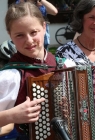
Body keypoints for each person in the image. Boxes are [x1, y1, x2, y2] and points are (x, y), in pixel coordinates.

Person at [0, 2, 57, 139]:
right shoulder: (10, 76)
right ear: (10, 35)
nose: (29, 41)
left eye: (33, 32)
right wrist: (11, 115)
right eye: (20, 35)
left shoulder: (62, 64)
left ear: (44, 27)